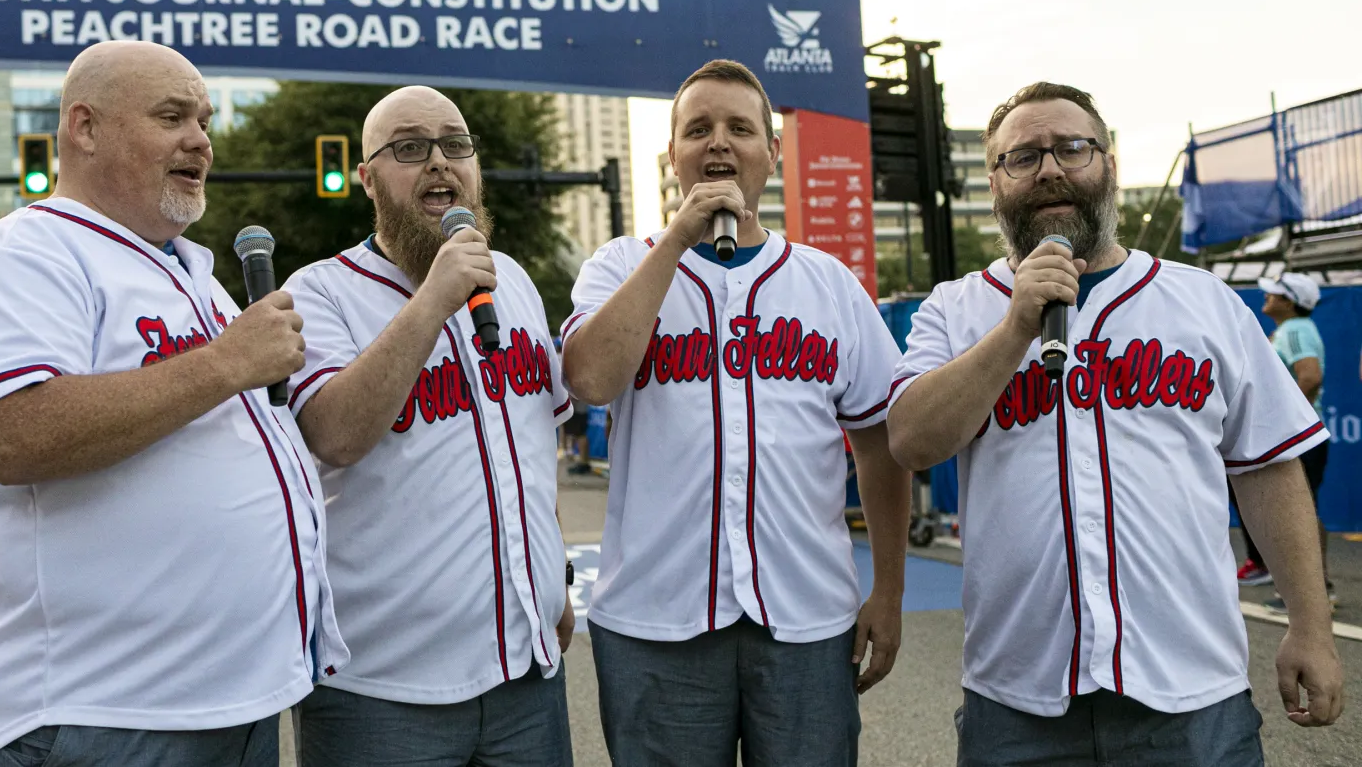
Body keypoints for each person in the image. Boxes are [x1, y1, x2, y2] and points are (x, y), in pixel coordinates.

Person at [886, 82, 1344, 767]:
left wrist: (1311, 626)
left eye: (1072, 148)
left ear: (1109, 163)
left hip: (1191, 695)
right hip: (1018, 700)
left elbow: (1268, 469)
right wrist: (1016, 325)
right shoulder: (953, 311)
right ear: (995, 181)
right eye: (1023, 156)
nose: (1049, 169)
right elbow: (911, 440)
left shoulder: (1202, 302)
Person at [0, 40, 345, 767]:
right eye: (171, 116)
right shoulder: (24, 254)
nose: (200, 139)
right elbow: (17, 435)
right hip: (98, 715)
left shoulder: (197, 276)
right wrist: (224, 363)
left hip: (236, 700)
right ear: (84, 128)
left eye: (204, 121)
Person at [562, 59, 910, 766]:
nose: (718, 143)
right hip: (656, 623)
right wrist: (677, 242)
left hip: (807, 618)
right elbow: (592, 379)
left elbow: (881, 443)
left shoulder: (827, 284)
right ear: (673, 156)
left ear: (772, 154)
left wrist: (890, 593)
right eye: (698, 129)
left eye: (740, 129)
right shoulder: (620, 264)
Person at [284, 85, 573, 767]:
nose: (440, 163)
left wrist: (551, 571)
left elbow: (535, 449)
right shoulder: (320, 291)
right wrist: (437, 298)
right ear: (367, 178)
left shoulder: (513, 282)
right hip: (380, 692)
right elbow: (336, 434)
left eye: (456, 145)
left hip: (524, 678)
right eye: (410, 149)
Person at [1250, 273, 1333, 612]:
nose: (1266, 296)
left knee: (1302, 509)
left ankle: (1318, 593)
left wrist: (1285, 422)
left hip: (1298, 437)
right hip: (1297, 434)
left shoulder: (1297, 330)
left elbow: (1311, 376)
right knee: (1303, 507)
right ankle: (1317, 588)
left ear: (1288, 301)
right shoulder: (1290, 330)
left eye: (1274, 293)